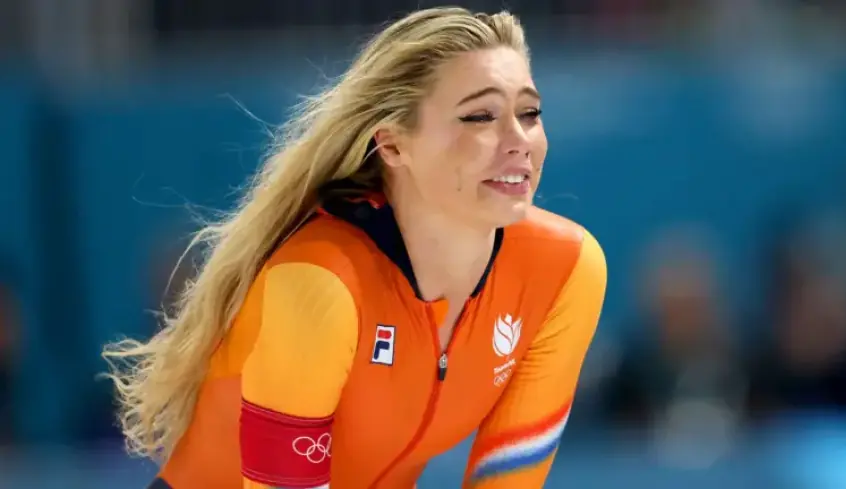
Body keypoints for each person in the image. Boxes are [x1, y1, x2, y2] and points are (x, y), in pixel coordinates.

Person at [103, 7, 607, 489]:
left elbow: (509, 477)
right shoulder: (318, 284)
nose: (518, 139)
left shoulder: (565, 270)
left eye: (530, 112)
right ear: (392, 146)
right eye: (480, 117)